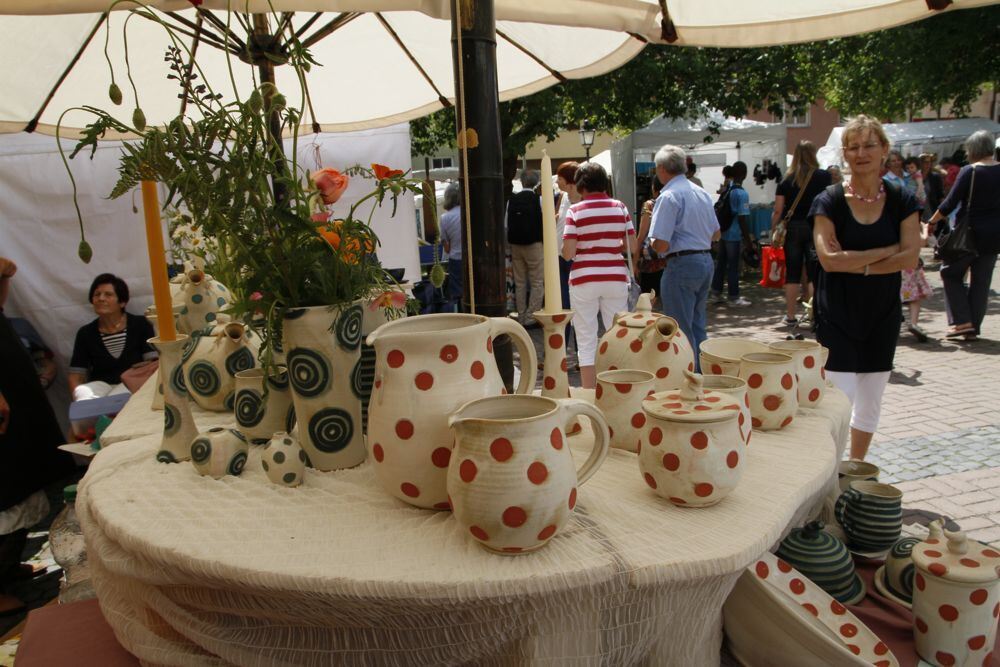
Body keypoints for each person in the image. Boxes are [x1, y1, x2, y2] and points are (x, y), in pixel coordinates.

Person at [809, 115, 921, 461]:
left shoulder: (903, 199)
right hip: (837, 315)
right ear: (844, 154)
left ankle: (854, 472)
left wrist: (857, 261)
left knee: (871, 401)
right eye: (853, 146)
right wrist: (887, 251)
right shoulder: (829, 201)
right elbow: (829, 260)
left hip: (881, 316)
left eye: (869, 145)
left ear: (884, 150)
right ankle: (828, 477)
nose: (861, 153)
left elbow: (910, 258)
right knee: (838, 404)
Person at [0, 256, 76, 615]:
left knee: (26, 487)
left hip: (17, 420)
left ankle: (10, 568)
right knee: (6, 499)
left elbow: (7, 267)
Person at [562, 162, 637, 389]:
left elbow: (568, 253)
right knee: (618, 337)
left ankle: (589, 393)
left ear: (581, 185)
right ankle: (619, 389)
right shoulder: (620, 207)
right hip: (615, 277)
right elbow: (631, 246)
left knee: (586, 339)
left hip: (584, 279)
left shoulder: (575, 211)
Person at [649, 144, 720, 368]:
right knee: (698, 323)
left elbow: (661, 243)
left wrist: (649, 245)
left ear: (661, 169)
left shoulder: (669, 196)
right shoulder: (701, 192)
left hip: (682, 263)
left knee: (680, 326)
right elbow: (716, 233)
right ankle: (701, 371)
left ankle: (687, 374)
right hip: (705, 259)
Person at [927, 129, 1000, 341]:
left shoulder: (970, 171)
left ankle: (962, 322)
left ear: (973, 149)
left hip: (968, 234)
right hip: (994, 236)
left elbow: (950, 203)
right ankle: (972, 328)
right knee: (981, 282)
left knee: (950, 273)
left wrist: (931, 222)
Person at [69, 273, 157, 402]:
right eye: (97, 294)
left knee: (118, 398)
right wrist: (79, 403)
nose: (101, 298)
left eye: (108, 295)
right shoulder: (85, 333)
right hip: (100, 387)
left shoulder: (141, 324)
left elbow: (152, 364)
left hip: (132, 384)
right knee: (83, 393)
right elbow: (76, 375)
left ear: (122, 302)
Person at [772, 141, 833, 326]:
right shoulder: (824, 177)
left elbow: (778, 210)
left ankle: (790, 316)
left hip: (793, 229)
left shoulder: (786, 179)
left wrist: (774, 229)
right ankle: (815, 315)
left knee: (792, 273)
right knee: (815, 273)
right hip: (816, 226)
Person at [710, 161, 753, 307]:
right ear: (744, 174)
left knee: (721, 263)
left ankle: (716, 293)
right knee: (733, 266)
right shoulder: (742, 193)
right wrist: (748, 240)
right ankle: (734, 297)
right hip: (734, 234)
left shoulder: (727, 190)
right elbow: (742, 218)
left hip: (723, 232)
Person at [506, 170, 545, 327]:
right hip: (534, 244)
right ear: (536, 183)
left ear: (521, 182)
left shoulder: (512, 200)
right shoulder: (539, 200)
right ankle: (531, 315)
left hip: (515, 245)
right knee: (537, 282)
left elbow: (506, 224)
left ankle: (521, 315)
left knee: (520, 282)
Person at [555, 161, 580, 360]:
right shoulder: (562, 197)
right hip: (558, 256)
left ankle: (581, 354)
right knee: (562, 304)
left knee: (577, 306)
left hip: (573, 257)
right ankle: (560, 352)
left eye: (560, 177)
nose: (557, 181)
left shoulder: (579, 197)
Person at [636, 178, 667, 300]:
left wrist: (634, 261)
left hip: (651, 258)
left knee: (649, 297)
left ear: (654, 188)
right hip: (668, 257)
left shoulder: (649, 205)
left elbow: (642, 234)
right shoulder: (673, 203)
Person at [438, 182, 463, 312]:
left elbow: (446, 247)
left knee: (457, 294)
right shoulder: (469, 213)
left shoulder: (445, 218)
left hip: (455, 260)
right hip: (472, 258)